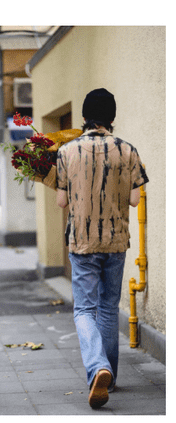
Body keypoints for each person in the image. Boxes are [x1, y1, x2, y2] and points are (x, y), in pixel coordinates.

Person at [56, 88, 149, 409]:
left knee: (84, 309)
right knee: (109, 308)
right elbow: (136, 199)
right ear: (112, 118)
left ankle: (99, 368)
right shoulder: (128, 150)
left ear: (83, 118)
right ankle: (111, 375)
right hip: (116, 240)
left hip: (82, 241)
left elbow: (61, 201)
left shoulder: (67, 152)